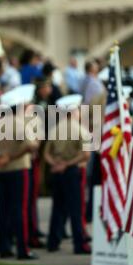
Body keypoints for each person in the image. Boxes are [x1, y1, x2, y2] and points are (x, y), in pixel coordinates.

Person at [0, 85, 39, 260]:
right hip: (18, 169)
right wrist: (11, 157)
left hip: (1, 170)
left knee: (4, 210)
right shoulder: (20, 123)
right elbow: (32, 146)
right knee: (20, 210)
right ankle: (23, 249)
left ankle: (4, 247)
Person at [44, 95, 91, 254]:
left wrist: (56, 164)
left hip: (58, 172)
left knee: (57, 208)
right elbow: (85, 155)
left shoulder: (55, 129)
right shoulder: (80, 129)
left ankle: (52, 242)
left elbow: (46, 154)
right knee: (75, 209)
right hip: (71, 172)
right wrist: (67, 164)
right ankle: (79, 244)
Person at [82, 61, 106, 222]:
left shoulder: (98, 93)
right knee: (95, 178)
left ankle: (92, 211)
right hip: (102, 141)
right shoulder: (97, 91)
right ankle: (92, 211)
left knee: (94, 179)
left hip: (100, 139)